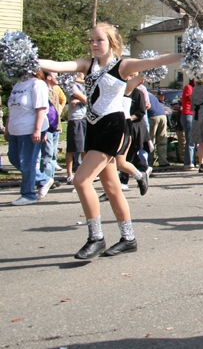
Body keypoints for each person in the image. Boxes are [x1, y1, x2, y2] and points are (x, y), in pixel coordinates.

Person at [39, 23, 181, 258]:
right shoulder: (87, 64)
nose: (94, 44)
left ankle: (96, 238)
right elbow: (56, 65)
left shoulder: (123, 66)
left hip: (113, 128)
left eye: (99, 40)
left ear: (112, 43)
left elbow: (157, 60)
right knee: (112, 187)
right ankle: (128, 238)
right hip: (93, 127)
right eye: (92, 40)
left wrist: (186, 53)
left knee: (81, 180)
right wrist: (30, 59)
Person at [6, 71, 49, 205]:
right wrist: (7, 128)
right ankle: (43, 179)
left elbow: (41, 108)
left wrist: (37, 130)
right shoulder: (18, 85)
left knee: (27, 162)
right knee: (13, 158)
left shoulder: (37, 84)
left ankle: (28, 194)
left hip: (29, 129)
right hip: (15, 129)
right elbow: (12, 109)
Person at [65, 79, 88, 183]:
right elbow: (87, 100)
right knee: (72, 148)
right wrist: (82, 100)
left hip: (85, 118)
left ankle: (86, 173)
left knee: (85, 148)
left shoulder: (84, 85)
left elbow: (92, 100)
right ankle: (70, 174)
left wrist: (79, 101)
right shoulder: (71, 85)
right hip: (76, 119)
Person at [147, 91, 169, 168]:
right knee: (162, 140)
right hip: (163, 115)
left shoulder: (143, 95)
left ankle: (149, 162)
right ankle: (163, 161)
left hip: (153, 116)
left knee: (150, 140)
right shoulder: (152, 96)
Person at [181, 79, 196, 171]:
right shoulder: (189, 87)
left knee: (193, 139)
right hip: (188, 114)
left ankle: (192, 161)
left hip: (192, 114)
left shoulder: (194, 88)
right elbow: (192, 98)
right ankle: (189, 162)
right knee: (190, 139)